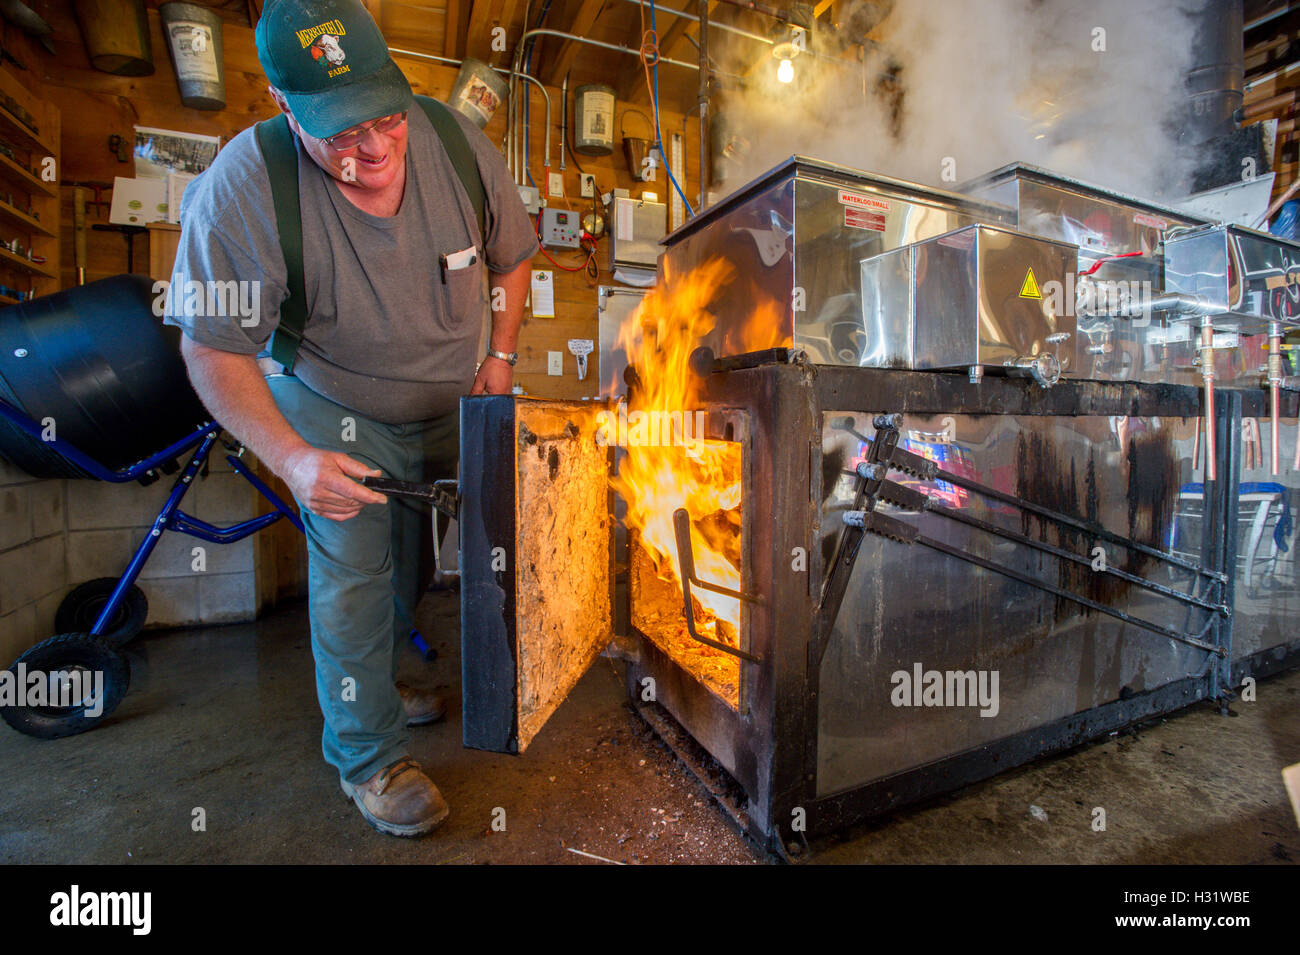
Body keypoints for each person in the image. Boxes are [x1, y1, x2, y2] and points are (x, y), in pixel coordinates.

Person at [165, 0, 536, 837]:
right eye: (338, 131)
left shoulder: (454, 144)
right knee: (352, 565)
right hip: (333, 404)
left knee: (412, 556)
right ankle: (370, 755)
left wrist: (501, 355)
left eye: (384, 116)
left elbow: (515, 255)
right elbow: (212, 347)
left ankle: (384, 676)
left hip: (452, 397)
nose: (371, 150)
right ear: (284, 106)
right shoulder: (241, 188)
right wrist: (294, 460)